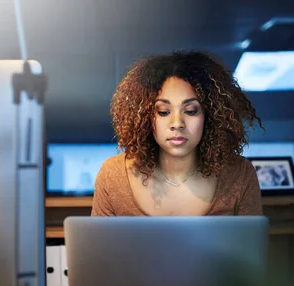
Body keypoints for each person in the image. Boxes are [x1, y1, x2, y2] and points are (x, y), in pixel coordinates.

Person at [91, 50, 264, 217]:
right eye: (163, 112)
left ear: (209, 116)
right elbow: (97, 246)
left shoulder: (239, 174)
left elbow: (252, 246)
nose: (177, 124)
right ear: (145, 117)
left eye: (190, 111)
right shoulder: (113, 175)